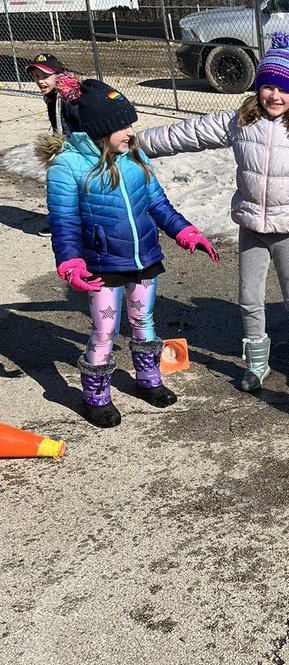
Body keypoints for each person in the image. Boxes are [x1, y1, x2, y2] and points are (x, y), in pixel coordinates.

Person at [139, 33, 289, 392]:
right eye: (268, 87)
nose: (274, 96)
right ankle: (256, 363)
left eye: (284, 89)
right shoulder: (239, 121)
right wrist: (137, 144)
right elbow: (190, 132)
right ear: (258, 87)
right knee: (248, 297)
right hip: (251, 226)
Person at [41, 78, 218, 428]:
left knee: (144, 322)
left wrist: (185, 231)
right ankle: (96, 397)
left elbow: (157, 204)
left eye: (130, 124)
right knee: (105, 330)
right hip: (101, 265)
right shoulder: (68, 167)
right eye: (122, 126)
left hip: (144, 259)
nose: (130, 132)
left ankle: (148, 379)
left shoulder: (134, 156)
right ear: (99, 130)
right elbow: (63, 222)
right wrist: (70, 263)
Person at [27, 52, 76, 235]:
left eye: (46, 76)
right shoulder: (57, 92)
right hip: (71, 146)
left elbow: (67, 128)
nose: (40, 81)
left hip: (73, 147)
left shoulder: (63, 96)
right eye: (37, 77)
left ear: (58, 75)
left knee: (63, 187)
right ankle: (65, 223)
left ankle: (65, 226)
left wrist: (62, 151)